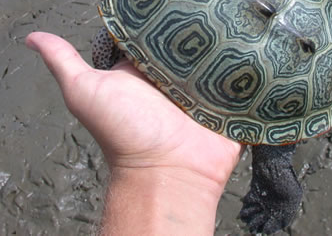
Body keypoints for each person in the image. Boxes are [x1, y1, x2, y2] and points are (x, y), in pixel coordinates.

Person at [26, 32, 243, 235]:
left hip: (167, 45)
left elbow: (106, 39)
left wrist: (153, 170)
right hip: (235, 92)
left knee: (108, 37)